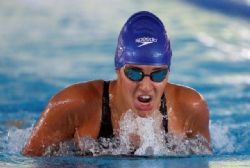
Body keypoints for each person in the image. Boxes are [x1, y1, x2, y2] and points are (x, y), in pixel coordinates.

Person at [22, 11, 211, 156]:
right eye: (134, 73)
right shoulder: (74, 104)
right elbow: (29, 161)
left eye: (158, 74)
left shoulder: (190, 108)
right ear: (118, 69)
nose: (146, 86)